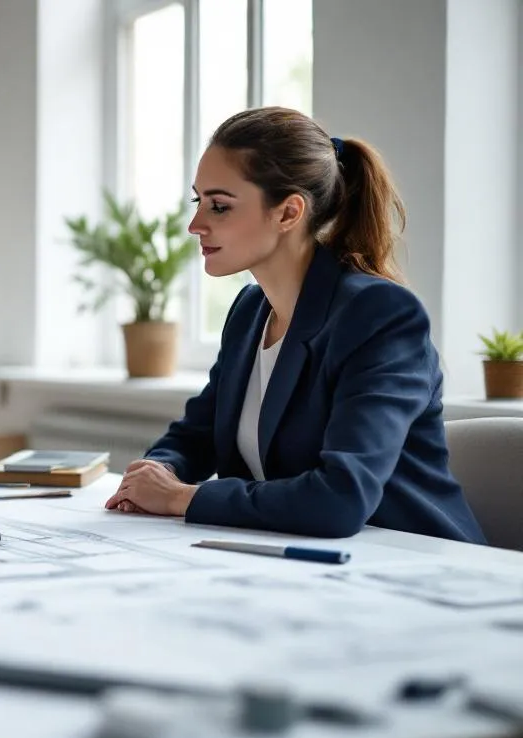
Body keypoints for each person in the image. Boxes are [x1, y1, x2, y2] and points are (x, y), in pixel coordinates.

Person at [104, 106, 485, 543]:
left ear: (288, 213)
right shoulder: (250, 310)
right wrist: (158, 471)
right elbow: (197, 434)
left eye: (220, 206)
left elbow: (340, 498)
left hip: (418, 565)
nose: (196, 225)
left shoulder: (380, 314)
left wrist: (180, 498)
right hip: (303, 563)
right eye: (199, 201)